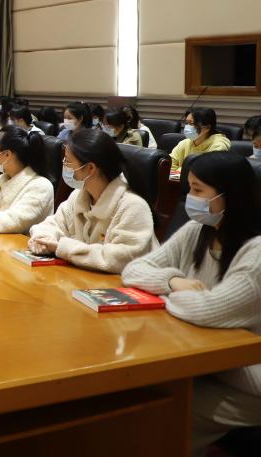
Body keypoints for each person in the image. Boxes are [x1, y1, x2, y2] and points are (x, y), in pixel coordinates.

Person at [121, 152, 261, 455]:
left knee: (158, 414)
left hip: (248, 383)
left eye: (198, 190)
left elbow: (209, 309)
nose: (189, 198)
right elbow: (133, 271)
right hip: (203, 366)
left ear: (230, 195)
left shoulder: (256, 253)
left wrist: (162, 295)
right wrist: (173, 282)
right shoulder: (198, 230)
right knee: (134, 400)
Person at [28, 128, 156, 273]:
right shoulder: (79, 195)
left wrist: (63, 248)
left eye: (68, 161)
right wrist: (43, 239)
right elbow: (53, 224)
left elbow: (120, 259)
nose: (65, 166)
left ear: (90, 168)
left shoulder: (133, 206)